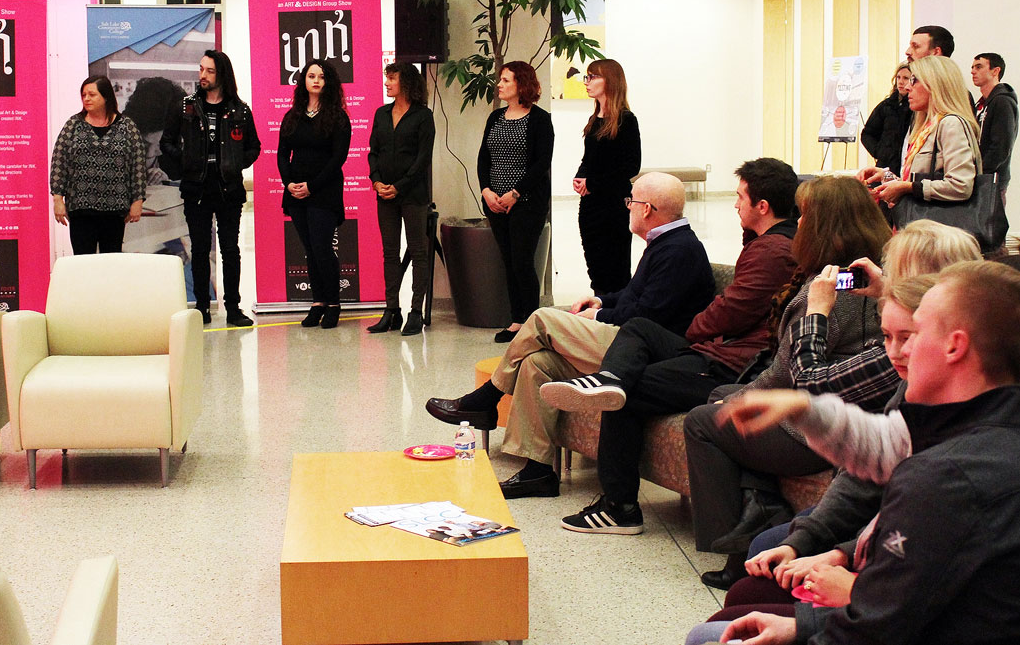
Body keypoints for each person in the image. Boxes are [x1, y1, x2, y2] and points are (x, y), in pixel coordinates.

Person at [711, 262, 1020, 645]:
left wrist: (810, 622)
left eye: (916, 333)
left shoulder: (946, 479)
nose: (903, 352)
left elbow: (874, 628)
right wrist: (801, 626)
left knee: (711, 634)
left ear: (954, 346)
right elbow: (911, 611)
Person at [542, 174, 890, 536]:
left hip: (750, 373)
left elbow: (784, 362)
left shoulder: (811, 283)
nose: (798, 223)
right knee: (640, 338)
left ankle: (626, 508)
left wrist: (730, 381)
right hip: (744, 363)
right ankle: (608, 380)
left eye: (805, 216)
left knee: (651, 394)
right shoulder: (830, 274)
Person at [696, 219, 982, 589]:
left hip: (841, 457)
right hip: (853, 465)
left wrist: (816, 312)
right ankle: (758, 503)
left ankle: (740, 528)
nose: (798, 224)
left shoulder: (916, 366)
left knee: (711, 418)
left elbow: (809, 383)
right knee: (728, 404)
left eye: (895, 273)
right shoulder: (912, 343)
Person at [424, 172, 714, 499]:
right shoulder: (667, 242)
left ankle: (488, 397)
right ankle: (537, 471)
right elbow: (635, 295)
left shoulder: (679, 250)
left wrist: (600, 315)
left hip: (642, 355)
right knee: (537, 363)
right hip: (630, 341)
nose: (628, 207)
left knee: (542, 319)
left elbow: (647, 316)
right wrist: (602, 301)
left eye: (630, 201)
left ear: (646, 209)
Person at [159, 50, 261, 327]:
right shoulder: (186, 107)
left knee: (230, 249)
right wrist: (185, 161)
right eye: (201, 69)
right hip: (196, 188)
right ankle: (202, 306)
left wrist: (235, 163)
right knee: (200, 249)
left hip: (229, 188)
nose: (202, 75)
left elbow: (254, 146)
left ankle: (233, 308)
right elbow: (167, 142)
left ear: (222, 75)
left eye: (209, 71)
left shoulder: (240, 110)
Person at [478, 61, 554, 343]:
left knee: (522, 261)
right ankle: (516, 320)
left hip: (527, 202)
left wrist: (516, 192)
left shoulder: (540, 119)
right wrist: (486, 190)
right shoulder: (495, 117)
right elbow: (484, 157)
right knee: (509, 261)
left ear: (522, 85)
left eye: (506, 80)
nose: (499, 84)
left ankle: (531, 323)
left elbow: (542, 163)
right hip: (496, 202)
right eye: (500, 80)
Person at [278, 59, 353, 329]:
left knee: (322, 249)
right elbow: (282, 154)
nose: (316, 81)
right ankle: (318, 302)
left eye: (321, 77)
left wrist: (312, 186)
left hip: (324, 191)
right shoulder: (293, 115)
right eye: (311, 76)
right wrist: (288, 183)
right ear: (304, 81)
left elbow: (338, 159)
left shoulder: (338, 117)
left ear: (328, 82)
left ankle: (333, 304)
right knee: (310, 250)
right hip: (296, 192)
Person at [858, 54, 981, 209]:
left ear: (936, 84)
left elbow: (960, 186)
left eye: (914, 80)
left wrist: (909, 187)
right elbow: (919, 182)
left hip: (937, 222)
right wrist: (886, 176)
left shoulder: (950, 124)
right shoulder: (927, 126)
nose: (908, 87)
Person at [367, 62, 435, 336]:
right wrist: (376, 181)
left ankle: (415, 312)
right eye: (387, 78)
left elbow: (423, 159)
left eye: (392, 78)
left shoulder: (423, 116)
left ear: (406, 82)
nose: (387, 83)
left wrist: (399, 186)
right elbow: (373, 152)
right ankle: (392, 310)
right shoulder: (381, 114)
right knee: (390, 253)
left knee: (418, 252)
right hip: (384, 194)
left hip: (413, 195)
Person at [49, 75, 147, 255]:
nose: (86, 99)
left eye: (92, 94)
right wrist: (58, 200)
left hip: (115, 209)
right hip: (80, 207)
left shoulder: (127, 126)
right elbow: (59, 162)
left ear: (106, 97)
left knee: (111, 261)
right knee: (82, 262)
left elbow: (138, 165)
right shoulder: (73, 125)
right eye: (84, 95)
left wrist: (137, 201)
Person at [573, 59, 641, 294]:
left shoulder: (626, 120)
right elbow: (589, 159)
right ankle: (600, 306)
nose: (587, 82)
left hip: (613, 205)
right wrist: (580, 177)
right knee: (595, 266)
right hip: (590, 204)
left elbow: (630, 166)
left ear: (610, 81)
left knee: (615, 267)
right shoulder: (594, 119)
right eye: (587, 76)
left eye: (593, 77)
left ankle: (616, 311)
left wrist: (593, 183)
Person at [970, 51, 1019, 193]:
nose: (973, 71)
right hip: (981, 179)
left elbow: (1001, 146)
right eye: (972, 67)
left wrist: (980, 172)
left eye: (979, 67)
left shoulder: (1002, 101)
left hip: (991, 181)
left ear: (995, 71)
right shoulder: (981, 104)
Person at [859, 63, 912, 176]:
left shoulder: (917, 109)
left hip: (907, 167)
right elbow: (867, 133)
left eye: (905, 78)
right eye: (898, 77)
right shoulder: (886, 106)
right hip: (885, 167)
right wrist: (880, 152)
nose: (901, 82)